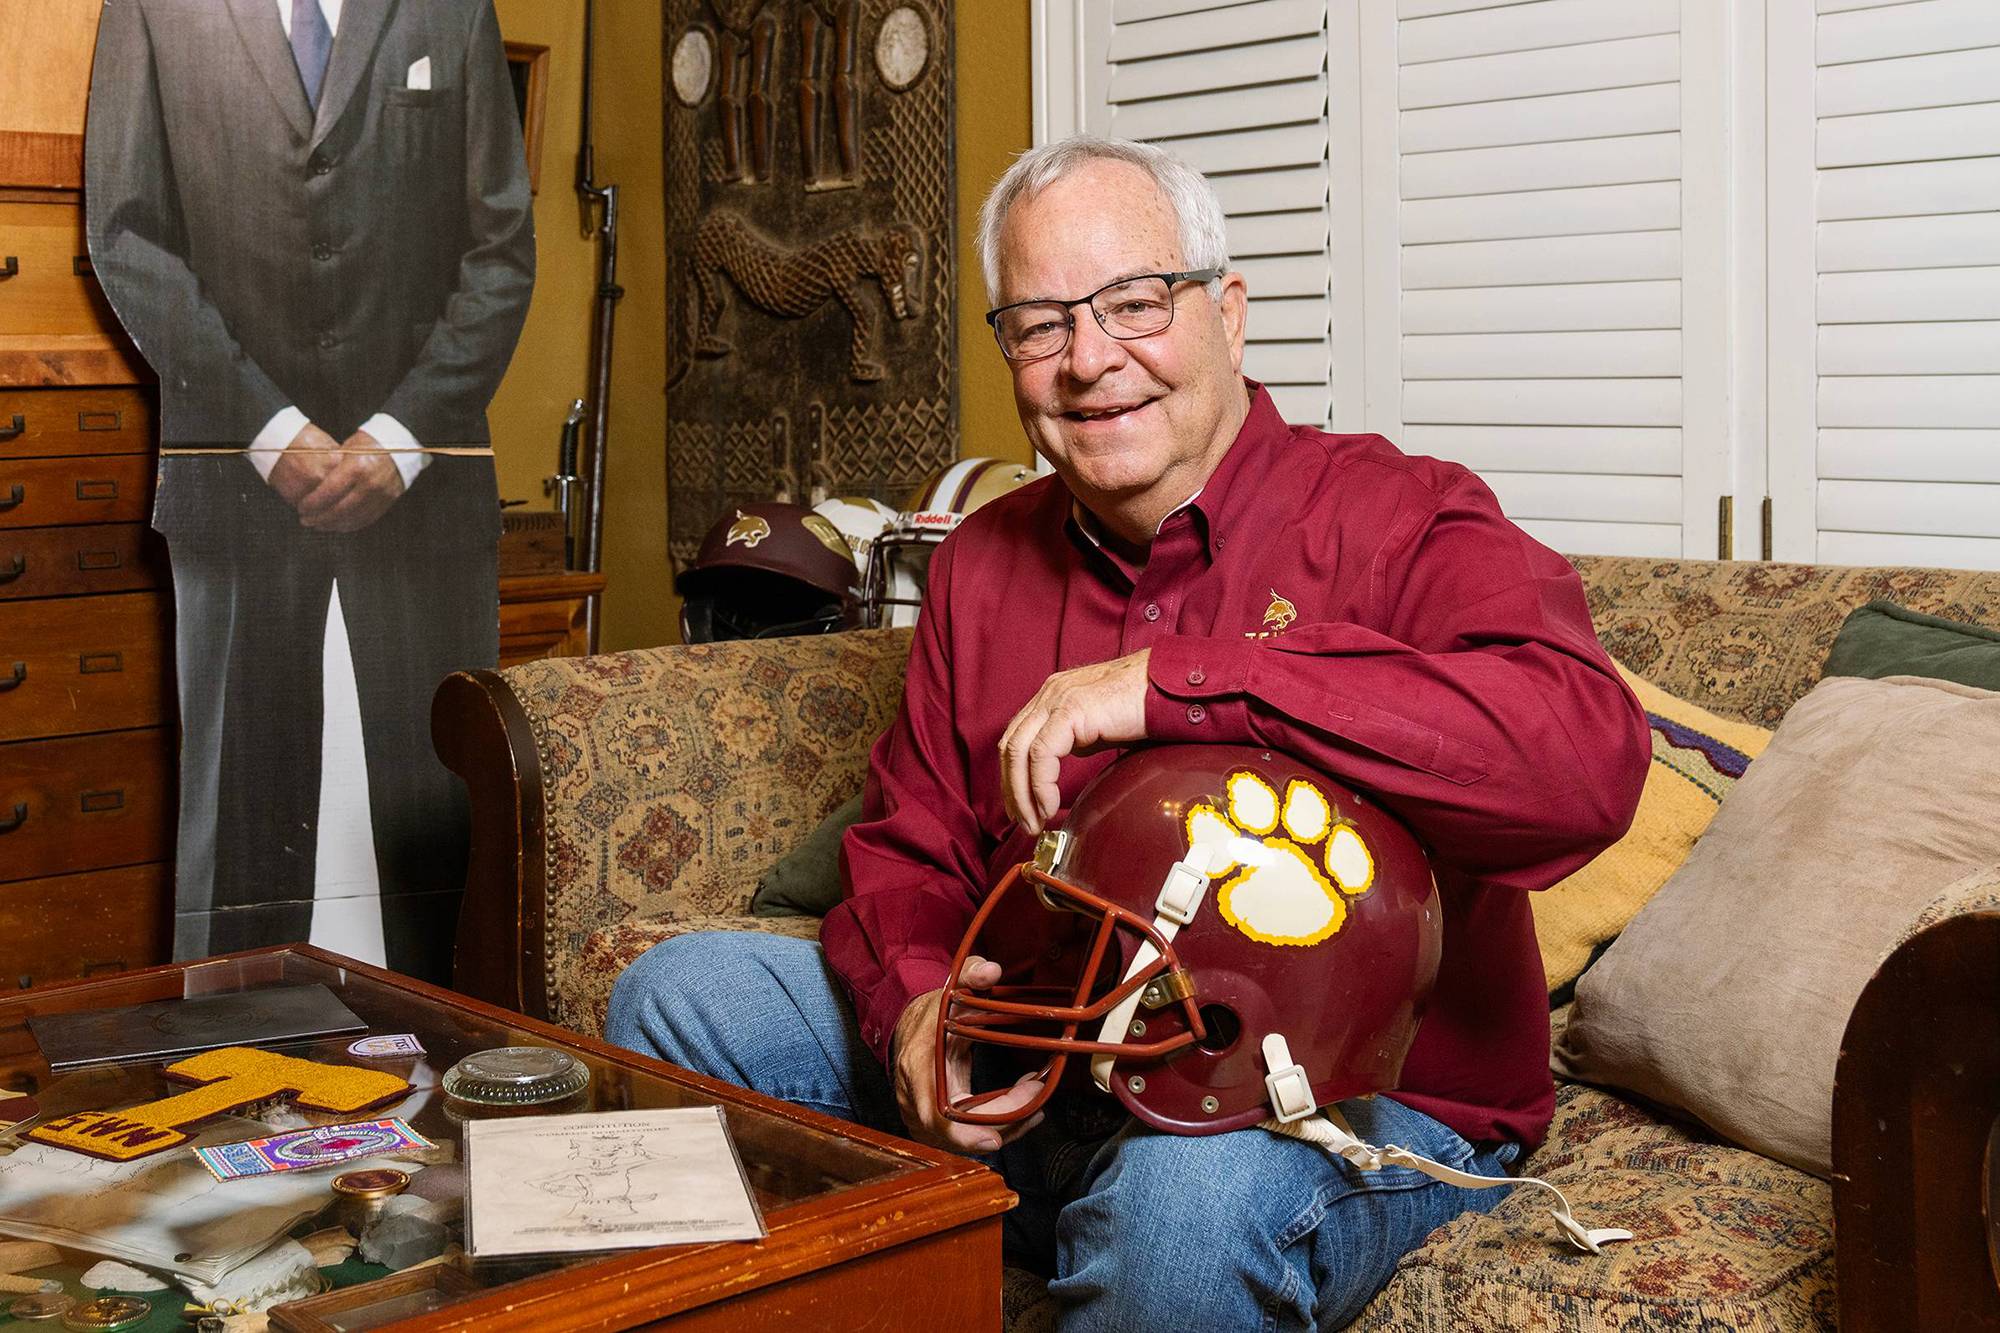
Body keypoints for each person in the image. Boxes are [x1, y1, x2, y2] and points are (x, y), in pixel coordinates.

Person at [608, 136, 1649, 1328]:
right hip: (1045, 1057)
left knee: (1180, 1203)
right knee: (682, 996)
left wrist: (1181, 684)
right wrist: (913, 1004)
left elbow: (1582, 764)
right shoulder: (981, 563)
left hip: (1342, 1096)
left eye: (1134, 304)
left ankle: (1100, 1226)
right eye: (1039, 325)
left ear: (1228, 314)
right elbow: (909, 844)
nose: (1090, 360)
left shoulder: (1401, 516)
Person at [84, 0, 535, 982]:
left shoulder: (453, 8)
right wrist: (269, 429)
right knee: (235, 840)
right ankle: (226, 1070)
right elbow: (124, 234)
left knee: (444, 831)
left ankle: (451, 1067)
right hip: (233, 497)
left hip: (426, 503)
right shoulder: (152, 9)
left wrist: (403, 437)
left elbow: (502, 250)